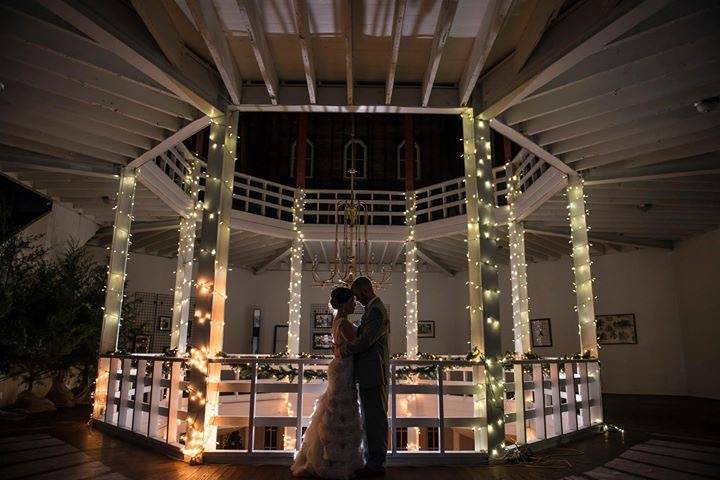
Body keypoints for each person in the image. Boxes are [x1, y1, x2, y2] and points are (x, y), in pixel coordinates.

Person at [291, 287, 365, 479]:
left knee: (334, 408)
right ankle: (335, 460)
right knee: (340, 409)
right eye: (351, 301)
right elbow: (361, 346)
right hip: (343, 369)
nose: (354, 304)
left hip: (340, 366)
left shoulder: (338, 322)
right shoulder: (345, 324)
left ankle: (330, 457)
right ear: (342, 303)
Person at [337, 277, 390, 478]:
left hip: (374, 373)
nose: (357, 300)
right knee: (370, 419)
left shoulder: (376, 310)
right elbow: (362, 335)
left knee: (375, 420)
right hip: (370, 372)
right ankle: (372, 461)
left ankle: (376, 465)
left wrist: (342, 350)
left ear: (365, 291)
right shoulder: (372, 310)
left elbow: (366, 341)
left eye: (358, 296)